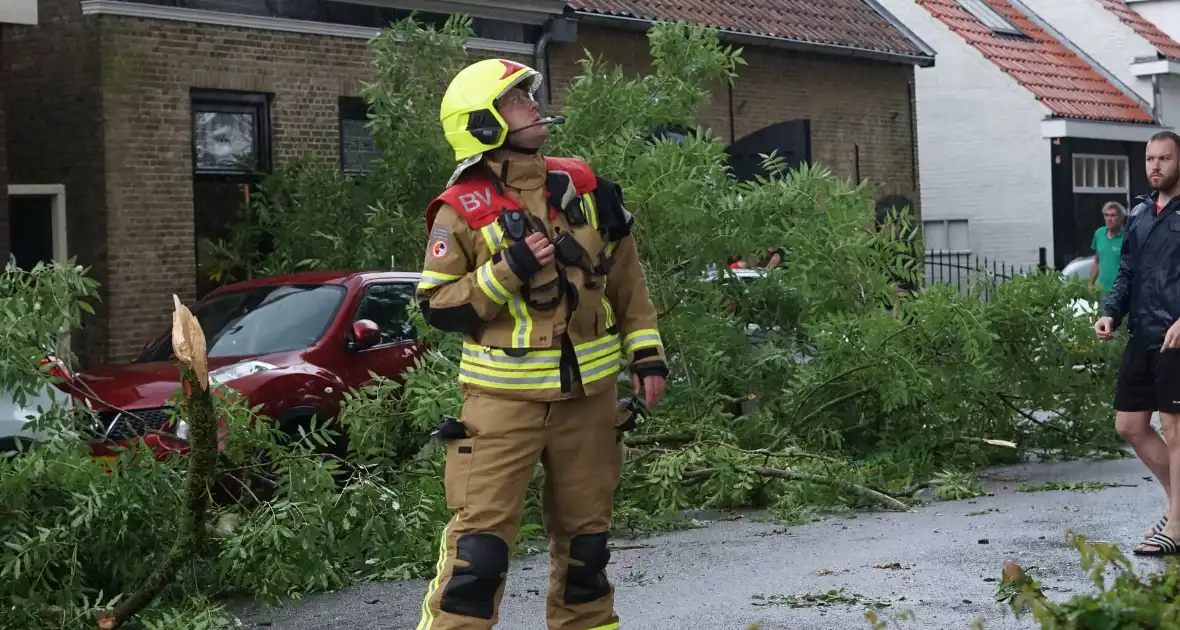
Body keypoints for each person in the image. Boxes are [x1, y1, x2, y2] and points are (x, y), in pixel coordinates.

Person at [413, 58, 668, 629]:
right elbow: (435, 305)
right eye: (516, 98)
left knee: (587, 554)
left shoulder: (585, 187)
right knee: (477, 559)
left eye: (530, 93)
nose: (533, 102)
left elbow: (628, 280)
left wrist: (647, 355)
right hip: (500, 411)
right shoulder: (461, 210)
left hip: (590, 405)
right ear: (483, 123)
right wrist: (507, 271)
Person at [1096, 130, 1180, 556]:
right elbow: (1126, 271)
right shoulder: (1141, 212)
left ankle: (1177, 524)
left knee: (1175, 430)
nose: (1155, 167)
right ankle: (1179, 512)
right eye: (1150, 159)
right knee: (1129, 425)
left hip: (1177, 339)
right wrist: (1111, 312)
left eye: (1164, 159)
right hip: (1141, 334)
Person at [1089, 201, 1126, 293]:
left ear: (1121, 218)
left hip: (1120, 291)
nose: (1109, 219)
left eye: (1113, 216)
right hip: (1102, 290)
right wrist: (1090, 284)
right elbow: (1097, 261)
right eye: (1107, 215)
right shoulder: (1099, 234)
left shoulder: (1127, 237)